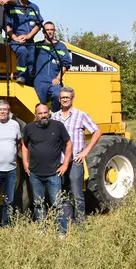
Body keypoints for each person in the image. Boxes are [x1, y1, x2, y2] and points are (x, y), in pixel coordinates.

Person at [52, 86, 102, 224]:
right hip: (60, 161)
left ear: (72, 98)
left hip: (75, 160)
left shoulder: (81, 115)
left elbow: (97, 132)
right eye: (62, 98)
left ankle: (80, 222)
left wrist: (86, 151)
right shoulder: (54, 117)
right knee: (63, 192)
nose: (65, 100)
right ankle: (68, 221)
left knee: (77, 193)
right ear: (59, 99)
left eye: (67, 97)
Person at [21, 103, 73, 233]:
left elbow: (68, 144)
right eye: (40, 113)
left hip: (53, 172)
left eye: (45, 112)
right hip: (35, 173)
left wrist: (65, 164)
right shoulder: (29, 128)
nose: (43, 115)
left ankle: (62, 231)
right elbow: (24, 145)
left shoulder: (58, 126)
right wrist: (25, 163)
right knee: (38, 204)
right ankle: (42, 230)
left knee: (57, 203)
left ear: (48, 112)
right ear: (35, 114)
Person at [5, 0, 43, 84]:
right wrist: (14, 38)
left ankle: (29, 82)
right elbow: (6, 25)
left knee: (31, 64)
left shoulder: (34, 7)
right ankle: (21, 76)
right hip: (15, 40)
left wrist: (28, 36)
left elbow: (39, 24)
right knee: (22, 51)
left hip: (30, 41)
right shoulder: (12, 7)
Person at [32, 22, 72, 112]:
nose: (49, 32)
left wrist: (58, 78)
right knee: (41, 105)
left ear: (54, 31)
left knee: (58, 94)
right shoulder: (37, 46)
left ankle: (54, 114)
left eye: (51, 30)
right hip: (40, 81)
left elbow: (66, 64)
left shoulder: (61, 46)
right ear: (43, 32)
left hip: (54, 80)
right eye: (47, 30)